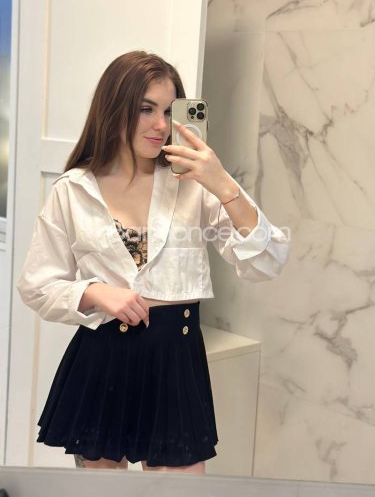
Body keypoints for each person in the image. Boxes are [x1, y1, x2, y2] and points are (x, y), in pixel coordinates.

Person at [17, 50, 289, 475]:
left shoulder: (194, 184)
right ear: (114, 108)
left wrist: (223, 184)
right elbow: (37, 284)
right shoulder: (73, 190)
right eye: (146, 109)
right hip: (102, 356)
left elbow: (267, 261)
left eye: (168, 110)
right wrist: (93, 292)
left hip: (175, 359)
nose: (161, 125)